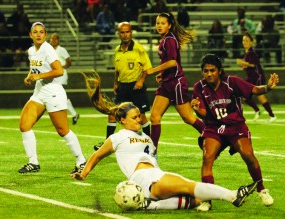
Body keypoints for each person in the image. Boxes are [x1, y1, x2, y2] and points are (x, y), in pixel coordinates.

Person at [71, 72, 257, 211]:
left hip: (155, 176)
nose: (139, 120)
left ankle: (148, 205)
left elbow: (153, 159)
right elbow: (97, 155)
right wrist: (84, 173)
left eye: (139, 116)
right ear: (122, 120)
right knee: (190, 186)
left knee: (194, 200)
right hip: (145, 178)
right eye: (135, 117)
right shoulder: (117, 137)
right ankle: (233, 196)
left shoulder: (146, 138)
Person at [191, 54, 277, 211]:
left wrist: (268, 87)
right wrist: (196, 110)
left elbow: (254, 90)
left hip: (235, 126)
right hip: (213, 128)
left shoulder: (232, 82)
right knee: (207, 158)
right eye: (205, 71)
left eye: (212, 70)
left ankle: (261, 189)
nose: (209, 74)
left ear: (219, 71)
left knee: (248, 156)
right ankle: (207, 199)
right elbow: (204, 113)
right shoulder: (199, 87)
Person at [18, 22, 86, 174]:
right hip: (39, 92)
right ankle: (33, 162)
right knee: (24, 125)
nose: (38, 34)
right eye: (35, 32)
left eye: (41, 32)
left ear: (45, 35)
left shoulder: (47, 49)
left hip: (53, 92)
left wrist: (39, 76)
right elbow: (35, 68)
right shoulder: (31, 50)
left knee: (63, 130)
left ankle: (81, 161)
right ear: (31, 35)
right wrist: (29, 77)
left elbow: (59, 70)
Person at [144, 12, 205, 155]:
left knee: (188, 118)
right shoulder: (166, 39)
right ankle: (153, 152)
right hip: (167, 83)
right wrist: (162, 74)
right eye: (158, 23)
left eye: (163, 23)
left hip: (176, 84)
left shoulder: (169, 40)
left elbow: (172, 62)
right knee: (154, 117)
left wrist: (154, 70)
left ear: (169, 25)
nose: (159, 26)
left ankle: (212, 135)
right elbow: (169, 62)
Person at [93, 22, 152, 151]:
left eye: (127, 32)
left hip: (136, 87)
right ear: (118, 34)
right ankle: (107, 145)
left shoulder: (139, 49)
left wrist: (141, 81)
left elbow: (148, 68)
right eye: (122, 32)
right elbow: (117, 70)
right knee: (112, 114)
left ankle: (149, 143)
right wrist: (116, 82)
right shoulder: (117, 50)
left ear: (131, 33)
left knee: (141, 117)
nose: (125, 35)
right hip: (122, 87)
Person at [236, 32, 276, 122]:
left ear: (251, 42)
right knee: (242, 94)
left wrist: (243, 63)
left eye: (246, 40)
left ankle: (272, 115)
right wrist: (244, 66)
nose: (244, 42)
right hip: (251, 77)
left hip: (257, 77)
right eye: (243, 40)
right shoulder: (247, 53)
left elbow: (254, 65)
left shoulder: (251, 53)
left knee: (260, 96)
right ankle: (257, 110)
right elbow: (249, 66)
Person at [49, 33, 80, 125]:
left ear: (58, 40)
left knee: (57, 94)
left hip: (61, 75)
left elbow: (69, 61)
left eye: (55, 39)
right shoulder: (49, 50)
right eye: (52, 39)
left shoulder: (61, 50)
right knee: (58, 95)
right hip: (54, 75)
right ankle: (74, 114)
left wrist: (63, 67)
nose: (53, 41)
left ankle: (62, 117)